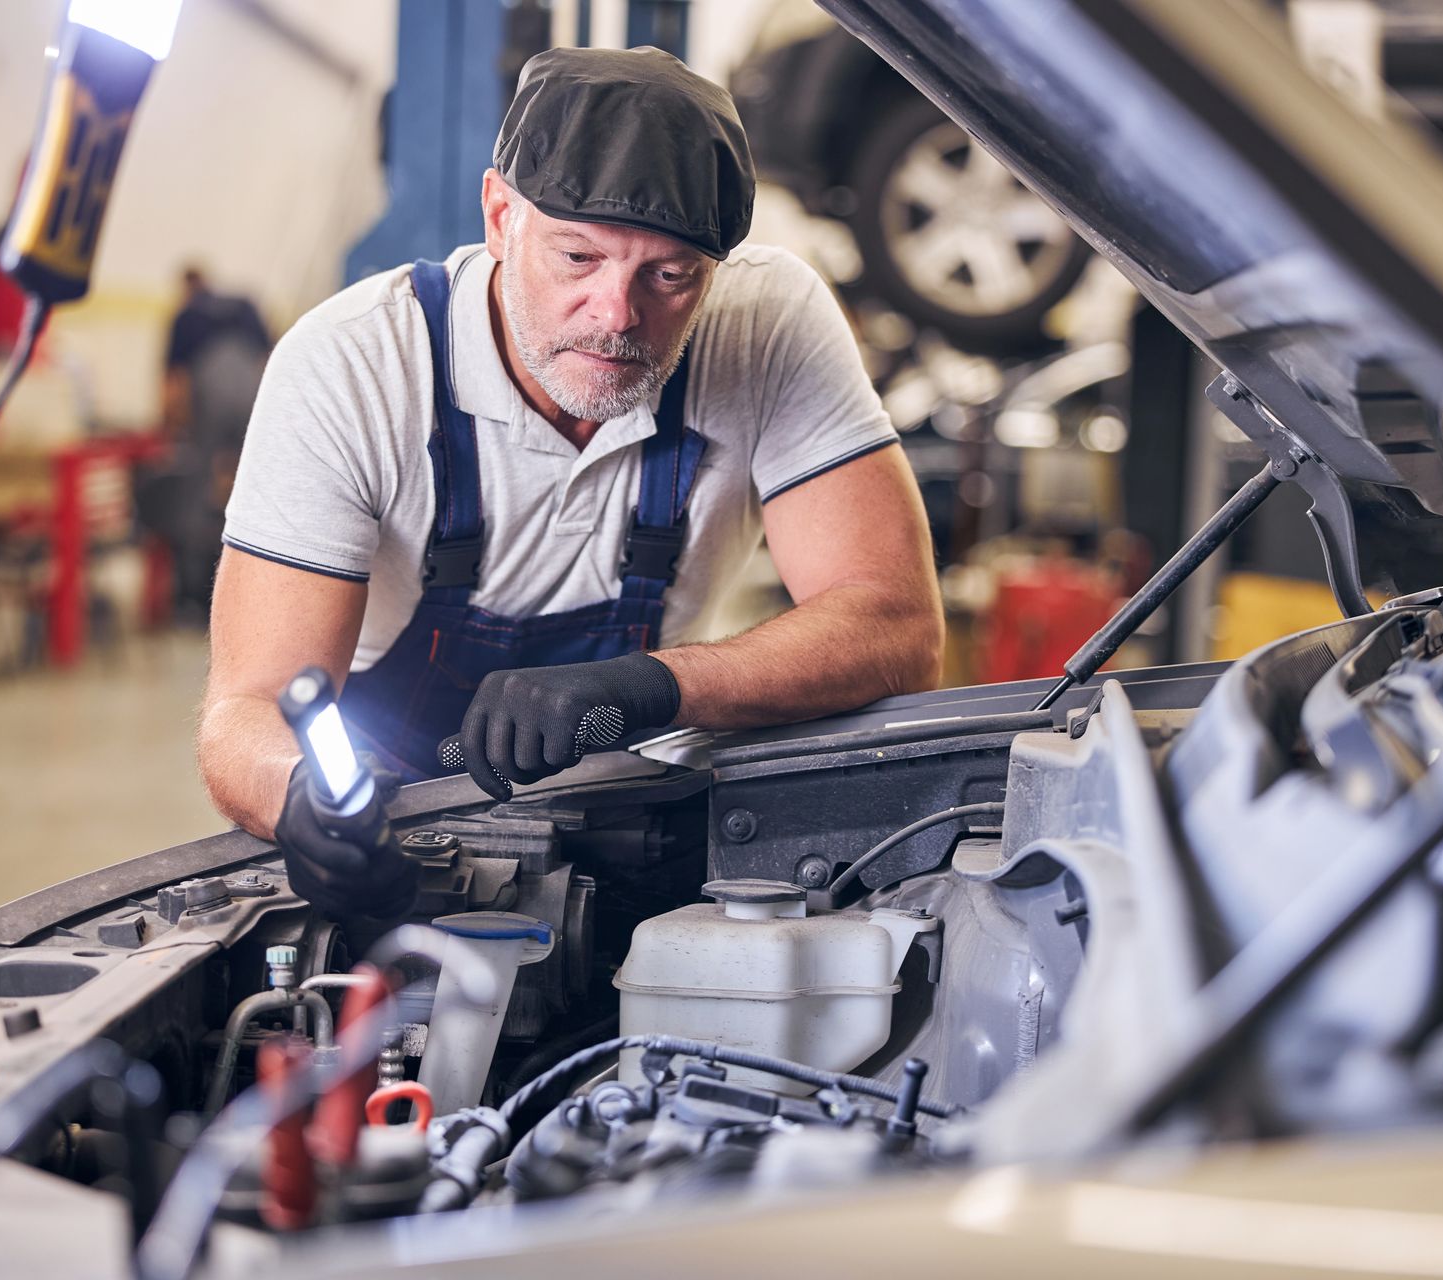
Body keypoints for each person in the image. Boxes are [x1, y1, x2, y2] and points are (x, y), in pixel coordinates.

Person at [198, 47, 943, 918]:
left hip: (634, 828)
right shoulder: (356, 366)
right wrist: (298, 799)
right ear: (499, 215)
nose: (617, 314)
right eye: (578, 257)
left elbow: (896, 627)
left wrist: (650, 687)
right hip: (392, 838)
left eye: (668, 276)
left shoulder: (765, 324)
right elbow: (244, 712)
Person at [150, 267, 274, 616]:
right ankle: (256, 592)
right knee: (256, 488)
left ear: (187, 286)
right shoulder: (245, 303)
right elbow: (271, 362)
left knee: (198, 487)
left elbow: (174, 383)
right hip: (254, 393)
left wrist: (172, 425)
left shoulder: (186, 314)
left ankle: (194, 594)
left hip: (212, 396)